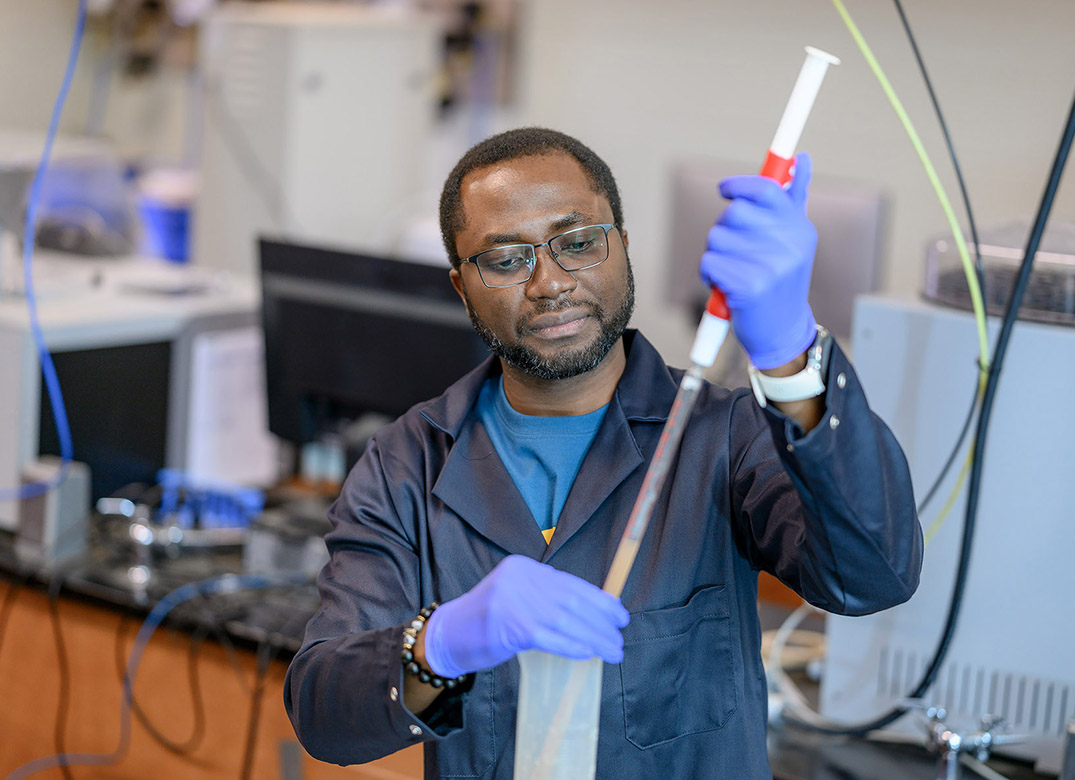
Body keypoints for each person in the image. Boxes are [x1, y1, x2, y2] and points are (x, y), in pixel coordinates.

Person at [284, 127, 923, 779]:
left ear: (622, 247)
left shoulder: (723, 436)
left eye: (579, 242)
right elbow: (323, 715)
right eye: (506, 260)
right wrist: (438, 645)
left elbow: (872, 574)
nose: (549, 283)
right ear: (461, 287)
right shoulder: (406, 465)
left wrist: (791, 349)